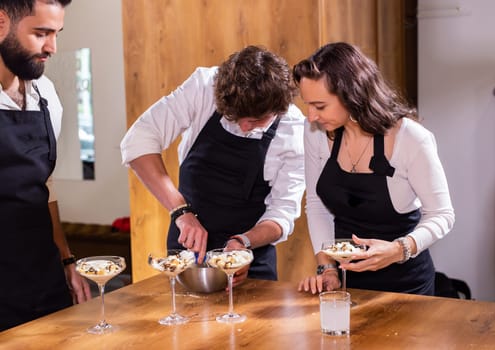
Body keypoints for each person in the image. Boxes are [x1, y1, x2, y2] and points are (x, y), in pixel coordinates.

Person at [120, 45, 305, 284]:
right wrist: (181, 212)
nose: (245, 127)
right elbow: (138, 140)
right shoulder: (204, 86)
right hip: (187, 251)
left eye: (256, 120)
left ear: (279, 109)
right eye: (236, 118)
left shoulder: (294, 130)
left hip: (250, 259)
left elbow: (282, 213)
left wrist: (242, 243)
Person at [294, 42, 454, 296]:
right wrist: (328, 269)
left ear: (351, 94)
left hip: (407, 287)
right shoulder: (314, 132)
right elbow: (316, 205)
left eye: (320, 106)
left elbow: (442, 215)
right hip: (348, 282)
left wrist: (399, 249)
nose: (311, 116)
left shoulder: (410, 138)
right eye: (307, 104)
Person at [0, 0, 91, 331]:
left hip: (43, 275)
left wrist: (66, 260)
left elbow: (45, 187)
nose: (52, 47)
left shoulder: (46, 95)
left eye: (56, 33)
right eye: (41, 33)